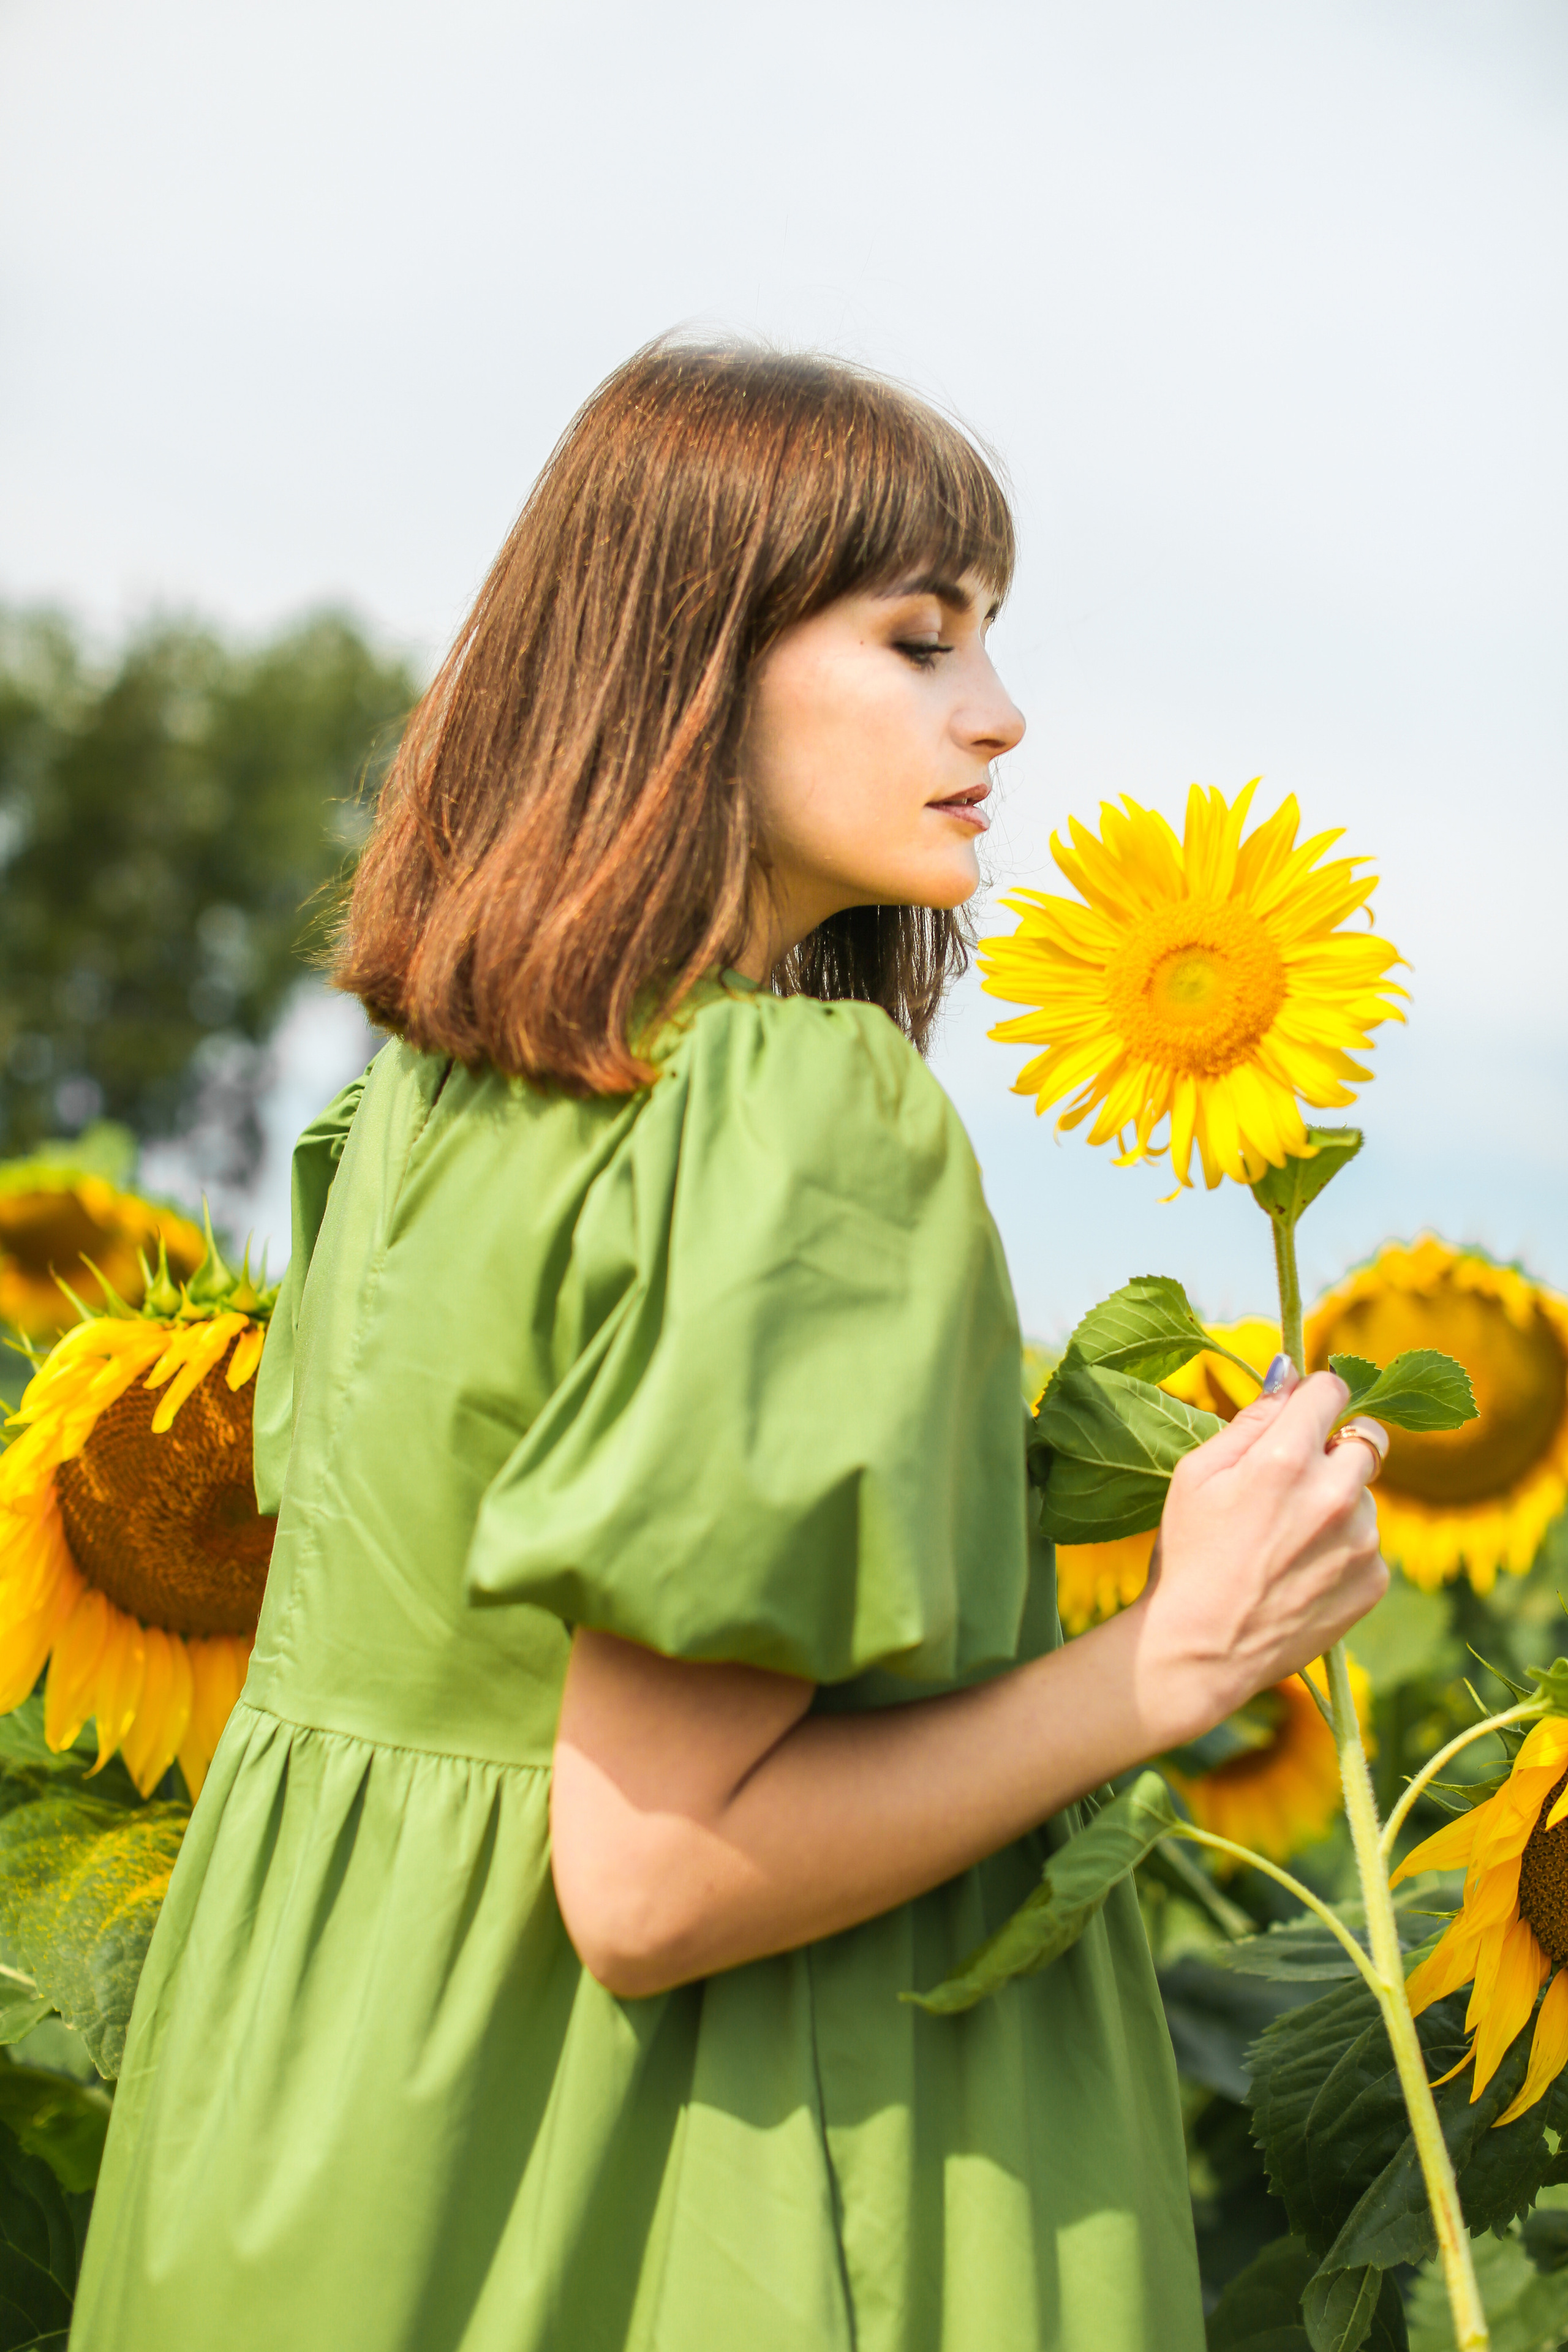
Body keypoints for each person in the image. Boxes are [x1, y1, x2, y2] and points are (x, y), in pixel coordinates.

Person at [70, 341, 1387, 2352]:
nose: (1001, 712)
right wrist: (1180, 1655)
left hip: (313, 2144)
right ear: (693, 663)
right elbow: (657, 1878)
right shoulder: (795, 1127)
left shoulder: (416, 1114)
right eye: (920, 637)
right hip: (680, 2196)